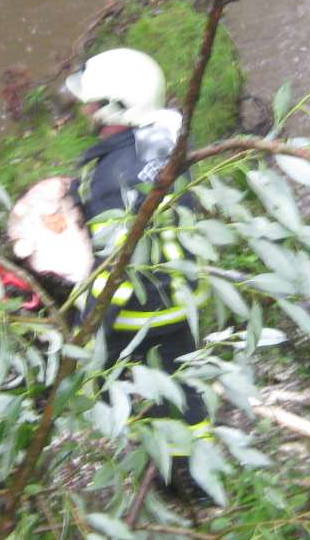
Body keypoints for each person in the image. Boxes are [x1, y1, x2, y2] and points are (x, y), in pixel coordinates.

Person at [64, 47, 213, 496]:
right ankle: (200, 479)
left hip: (141, 311)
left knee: (114, 384)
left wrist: (88, 329)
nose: (85, 110)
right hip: (183, 295)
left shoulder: (113, 179)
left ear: (116, 106)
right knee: (183, 389)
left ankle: (167, 474)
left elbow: (117, 268)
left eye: (92, 102)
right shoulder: (165, 142)